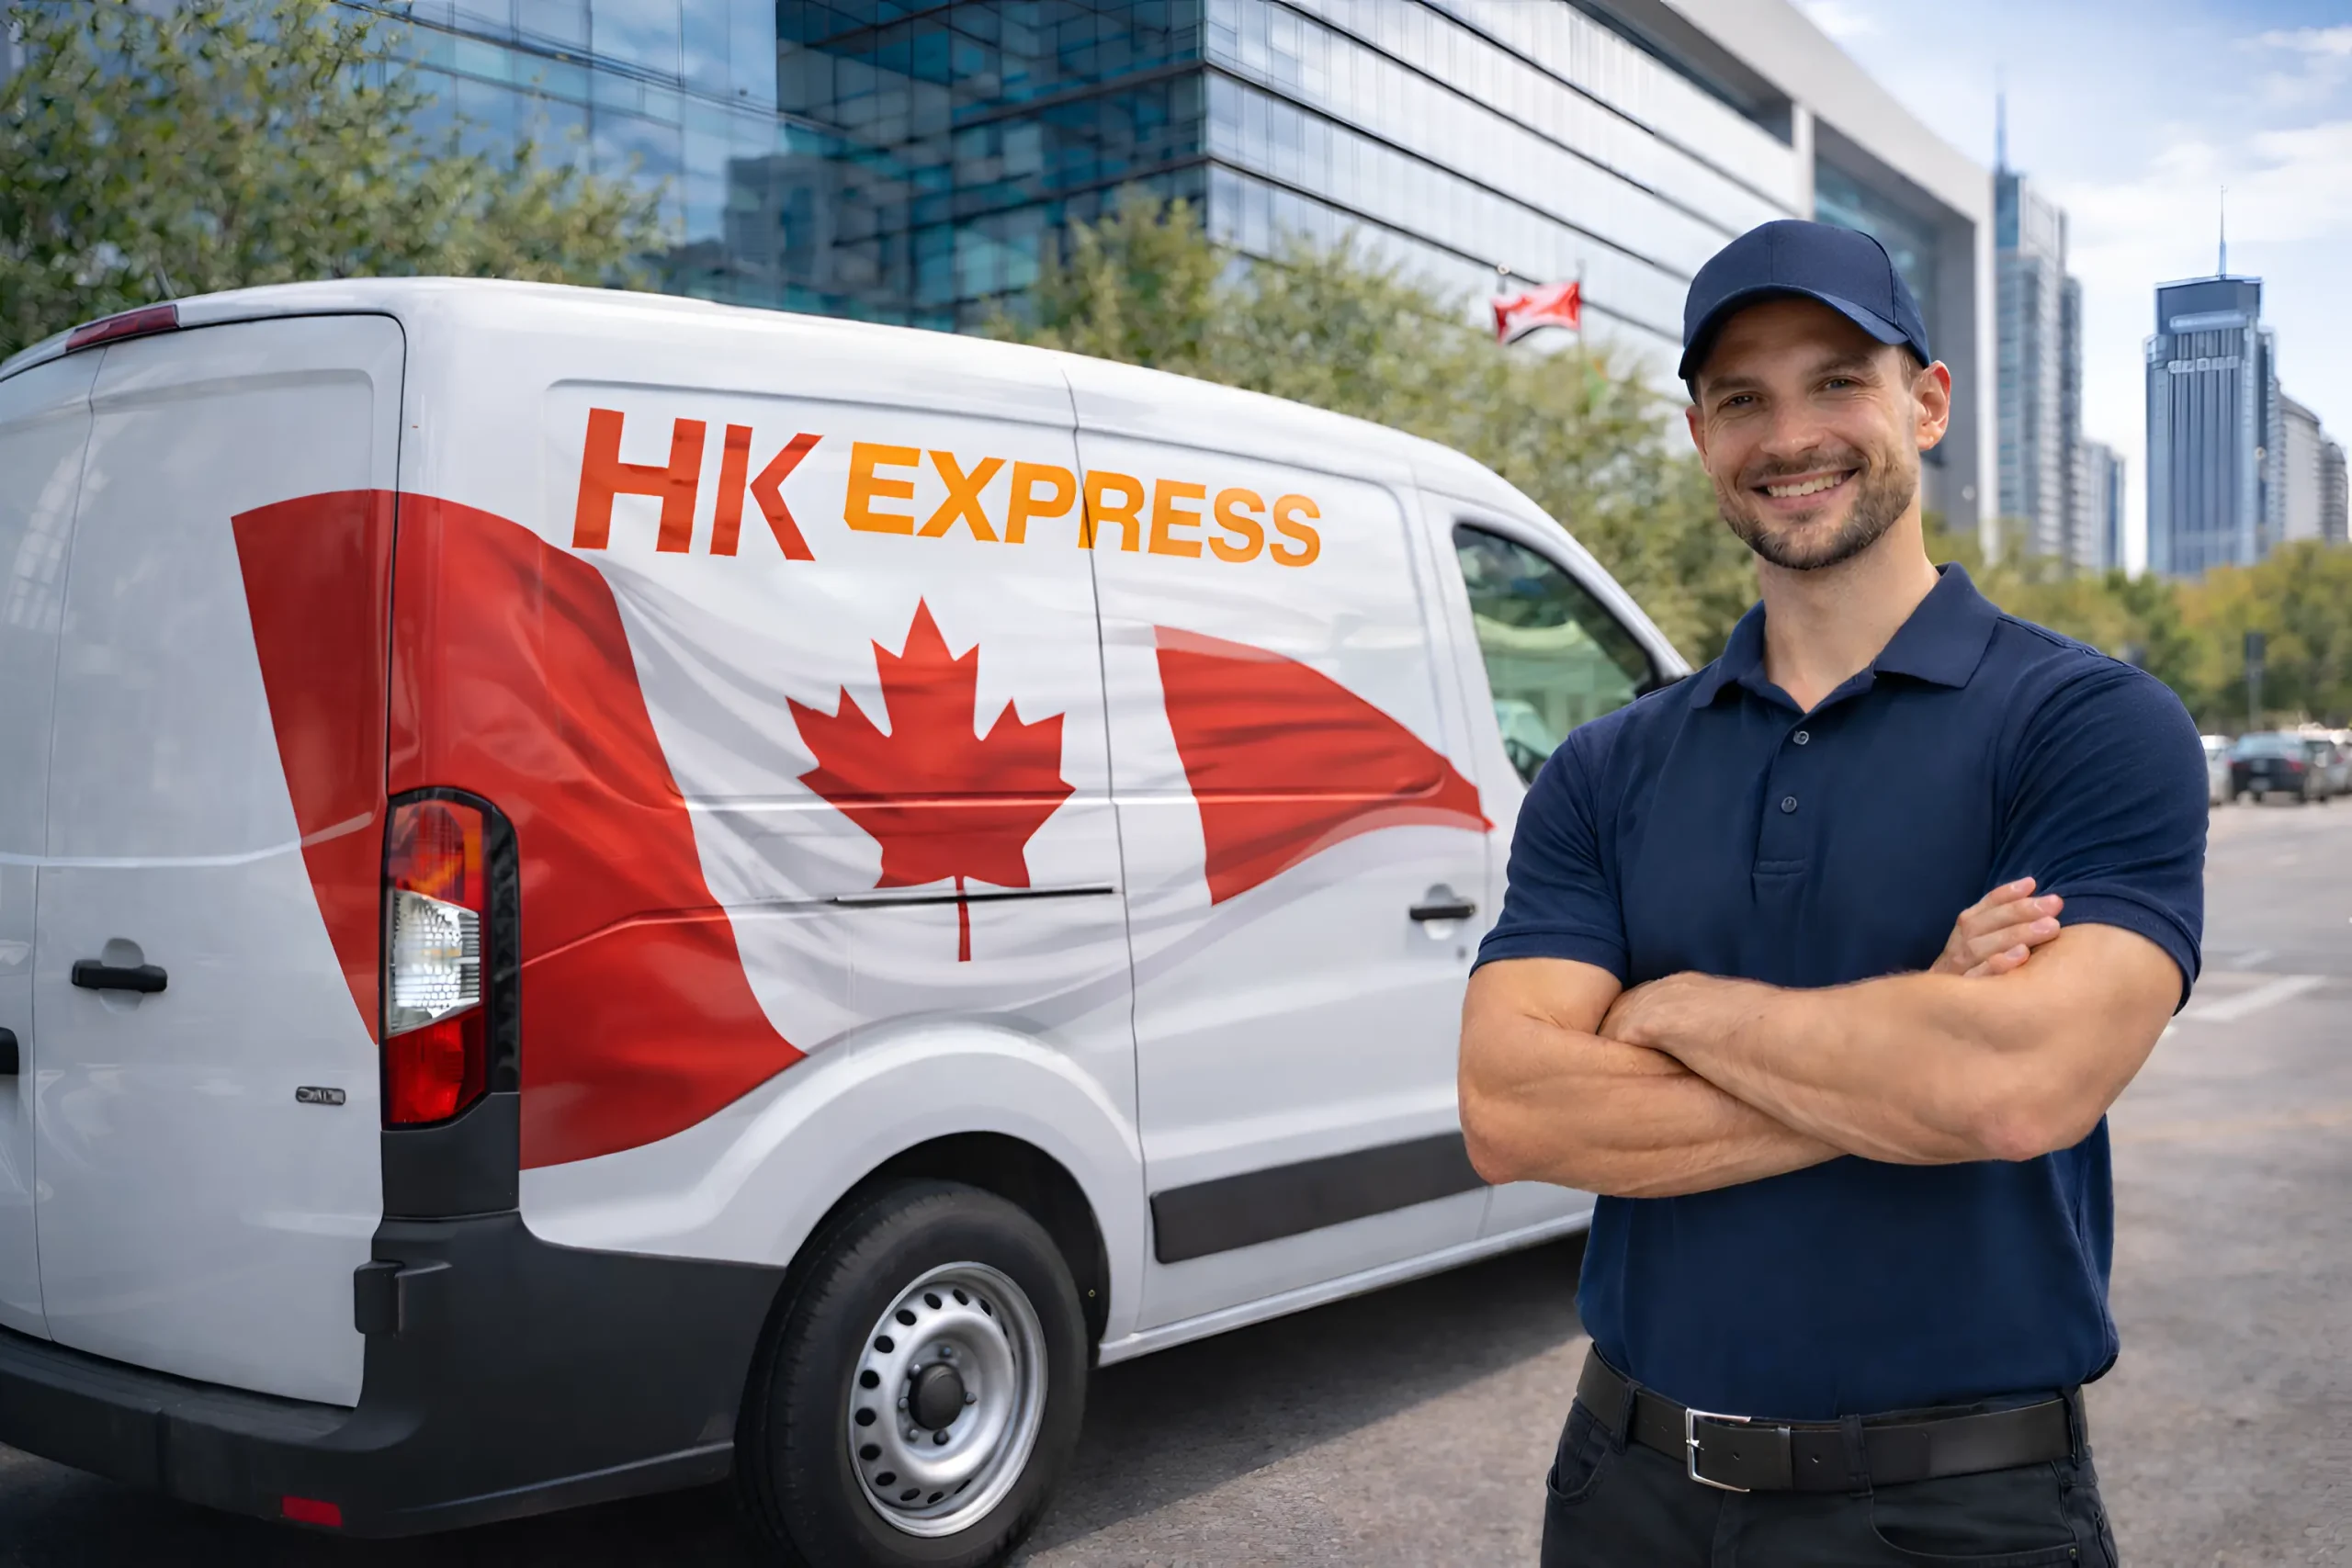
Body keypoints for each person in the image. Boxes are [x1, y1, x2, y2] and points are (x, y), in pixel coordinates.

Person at [1457, 220, 2206, 1566]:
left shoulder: (2087, 723)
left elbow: (2015, 1087)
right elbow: (1510, 1109)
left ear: (1926, 402)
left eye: (1837, 380)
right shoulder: (1609, 765)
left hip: (1956, 1509)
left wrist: (1671, 1005)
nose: (1788, 433)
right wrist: (1918, 1028)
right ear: (1700, 436)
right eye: (1742, 398)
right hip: (1629, 1493)